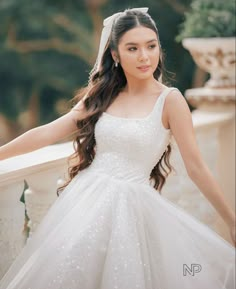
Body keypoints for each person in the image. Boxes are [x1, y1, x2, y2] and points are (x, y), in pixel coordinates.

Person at [0, 7, 235, 289]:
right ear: (115, 54)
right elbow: (49, 131)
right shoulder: (103, 94)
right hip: (84, 202)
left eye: (151, 46)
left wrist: (231, 220)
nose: (144, 56)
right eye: (132, 48)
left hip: (132, 210)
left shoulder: (170, 101)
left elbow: (196, 167)